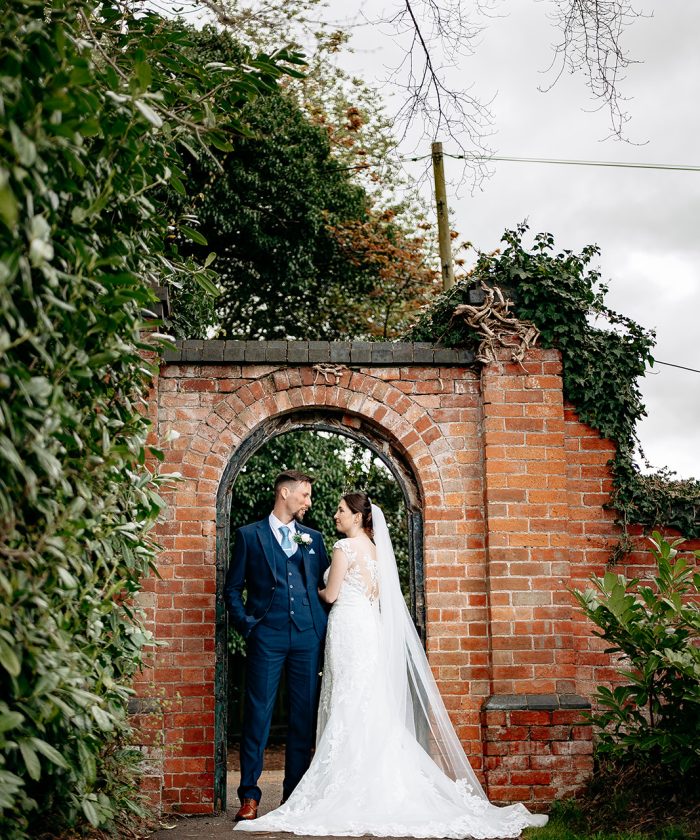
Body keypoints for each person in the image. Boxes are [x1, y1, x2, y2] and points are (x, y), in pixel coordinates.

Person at [235, 491, 548, 838]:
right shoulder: (377, 551)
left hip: (347, 629)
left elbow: (331, 595)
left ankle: (340, 787)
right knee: (368, 704)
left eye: (340, 510)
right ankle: (373, 783)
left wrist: (315, 590)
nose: (333, 514)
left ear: (357, 517)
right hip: (367, 629)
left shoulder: (340, 548)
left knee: (346, 703)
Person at [224, 470, 330, 822]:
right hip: (265, 636)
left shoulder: (313, 538)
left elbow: (327, 584)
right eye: (304, 495)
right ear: (284, 493)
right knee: (257, 715)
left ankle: (293, 797)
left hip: (306, 637)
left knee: (302, 717)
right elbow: (232, 588)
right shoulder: (249, 536)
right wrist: (247, 626)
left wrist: (323, 627)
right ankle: (249, 796)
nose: (308, 502)